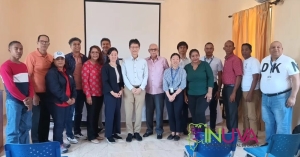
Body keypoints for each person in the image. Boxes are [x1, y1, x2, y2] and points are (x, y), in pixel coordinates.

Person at [260, 41, 299, 146]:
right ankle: (269, 144)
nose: (275, 49)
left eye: (278, 47)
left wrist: (293, 96)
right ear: (269, 49)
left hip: (281, 97)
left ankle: (282, 146)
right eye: (273, 47)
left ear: (282, 49)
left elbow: (296, 79)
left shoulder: (289, 61)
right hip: (265, 97)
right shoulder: (264, 61)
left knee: (283, 124)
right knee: (268, 123)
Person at [0, 41, 34, 144]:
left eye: (21, 49)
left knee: (25, 128)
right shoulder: (5, 66)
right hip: (14, 102)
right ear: (9, 50)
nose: (19, 51)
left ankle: (24, 152)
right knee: (13, 131)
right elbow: (11, 87)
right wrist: (25, 99)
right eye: (16, 48)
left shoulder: (23, 65)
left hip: (26, 101)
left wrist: (30, 97)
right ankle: (12, 153)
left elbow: (30, 83)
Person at [45, 51, 77, 154]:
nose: (60, 61)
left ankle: (60, 141)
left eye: (62, 59)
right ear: (54, 61)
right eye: (57, 59)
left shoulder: (67, 72)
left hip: (67, 103)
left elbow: (73, 86)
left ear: (64, 60)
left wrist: (74, 98)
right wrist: (67, 99)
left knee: (63, 124)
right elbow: (55, 89)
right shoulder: (51, 73)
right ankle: (57, 145)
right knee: (59, 125)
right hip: (57, 103)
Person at [25, 34, 53, 143]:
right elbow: (27, 76)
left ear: (49, 44)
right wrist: (33, 95)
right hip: (36, 92)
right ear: (37, 43)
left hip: (48, 93)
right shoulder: (31, 56)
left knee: (46, 118)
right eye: (42, 41)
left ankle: (44, 139)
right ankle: (36, 141)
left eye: (46, 41)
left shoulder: (50, 57)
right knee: (36, 119)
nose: (44, 43)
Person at [122, 39, 148, 142]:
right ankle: (129, 132)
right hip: (128, 89)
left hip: (141, 89)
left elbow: (146, 75)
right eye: (132, 47)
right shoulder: (125, 61)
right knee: (128, 112)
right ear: (129, 48)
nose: (134, 49)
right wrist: (131, 88)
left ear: (139, 48)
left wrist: (141, 88)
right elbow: (124, 75)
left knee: (139, 111)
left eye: (136, 47)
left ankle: (137, 131)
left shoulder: (143, 61)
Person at [143, 44, 169, 139]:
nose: (153, 51)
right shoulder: (144, 61)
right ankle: (149, 130)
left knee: (159, 112)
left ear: (157, 50)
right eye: (151, 49)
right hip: (148, 90)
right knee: (148, 112)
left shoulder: (163, 60)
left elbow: (167, 73)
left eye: (155, 49)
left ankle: (159, 131)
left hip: (160, 90)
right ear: (148, 50)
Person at [65, 37, 88, 140]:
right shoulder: (66, 58)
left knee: (79, 112)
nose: (77, 46)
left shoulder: (84, 58)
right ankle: (69, 133)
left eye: (78, 44)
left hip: (82, 88)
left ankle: (77, 131)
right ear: (70, 46)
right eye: (74, 44)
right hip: (71, 89)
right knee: (70, 112)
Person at [184, 49, 214, 128]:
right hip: (191, 95)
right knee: (193, 113)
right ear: (190, 57)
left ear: (199, 55)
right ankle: (197, 132)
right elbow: (184, 82)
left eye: (197, 55)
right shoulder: (187, 67)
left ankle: (202, 132)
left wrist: (209, 92)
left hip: (203, 94)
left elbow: (210, 77)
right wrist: (185, 95)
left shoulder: (205, 64)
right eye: (193, 56)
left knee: (199, 112)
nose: (195, 57)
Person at [81, 45, 105, 144]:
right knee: (91, 115)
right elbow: (84, 81)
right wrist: (88, 95)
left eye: (97, 52)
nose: (95, 54)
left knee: (96, 115)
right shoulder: (87, 65)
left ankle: (95, 133)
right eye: (93, 52)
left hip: (100, 93)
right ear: (90, 53)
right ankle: (91, 136)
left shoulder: (100, 65)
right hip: (91, 94)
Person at [102, 47, 124, 143]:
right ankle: (108, 134)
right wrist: (112, 93)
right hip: (109, 94)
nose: (114, 56)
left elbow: (121, 81)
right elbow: (105, 82)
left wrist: (121, 90)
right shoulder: (105, 67)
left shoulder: (119, 66)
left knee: (117, 113)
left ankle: (115, 132)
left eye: (115, 54)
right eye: (112, 54)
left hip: (118, 93)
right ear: (108, 56)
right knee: (109, 114)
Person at [200, 42, 223, 132]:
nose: (209, 50)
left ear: (213, 49)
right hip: (202, 86)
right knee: (201, 108)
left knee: (213, 108)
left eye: (210, 48)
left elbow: (220, 76)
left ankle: (212, 127)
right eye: (207, 48)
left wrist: (218, 90)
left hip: (213, 85)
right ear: (204, 49)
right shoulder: (200, 60)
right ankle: (201, 127)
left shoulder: (218, 61)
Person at [241, 43, 261, 145]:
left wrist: (251, 92)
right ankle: (246, 134)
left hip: (252, 91)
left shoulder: (254, 61)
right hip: (244, 90)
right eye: (242, 50)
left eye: (246, 50)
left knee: (252, 115)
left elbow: (256, 77)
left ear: (250, 50)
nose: (244, 51)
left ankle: (253, 137)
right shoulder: (244, 61)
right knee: (245, 115)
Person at [163, 53, 186, 141]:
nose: (175, 61)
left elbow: (183, 84)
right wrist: (169, 95)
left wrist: (174, 94)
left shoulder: (182, 71)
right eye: (173, 59)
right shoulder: (166, 71)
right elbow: (164, 84)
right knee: (171, 113)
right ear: (170, 60)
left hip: (178, 93)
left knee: (178, 113)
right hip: (168, 94)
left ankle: (178, 132)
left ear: (179, 60)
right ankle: (172, 132)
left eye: (177, 59)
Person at [222, 40, 243, 132]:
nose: (228, 48)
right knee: (227, 111)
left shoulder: (236, 59)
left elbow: (239, 75)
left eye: (230, 46)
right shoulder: (226, 59)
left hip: (233, 88)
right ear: (224, 48)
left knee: (232, 111)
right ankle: (230, 130)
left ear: (234, 48)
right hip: (226, 87)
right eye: (226, 46)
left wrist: (234, 92)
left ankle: (233, 132)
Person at [177, 41, 190, 135]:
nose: (182, 49)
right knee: (177, 108)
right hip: (176, 88)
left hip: (187, 87)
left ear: (186, 49)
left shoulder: (189, 61)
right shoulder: (175, 59)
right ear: (178, 49)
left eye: (184, 47)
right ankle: (177, 127)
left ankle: (184, 127)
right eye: (180, 47)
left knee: (185, 108)